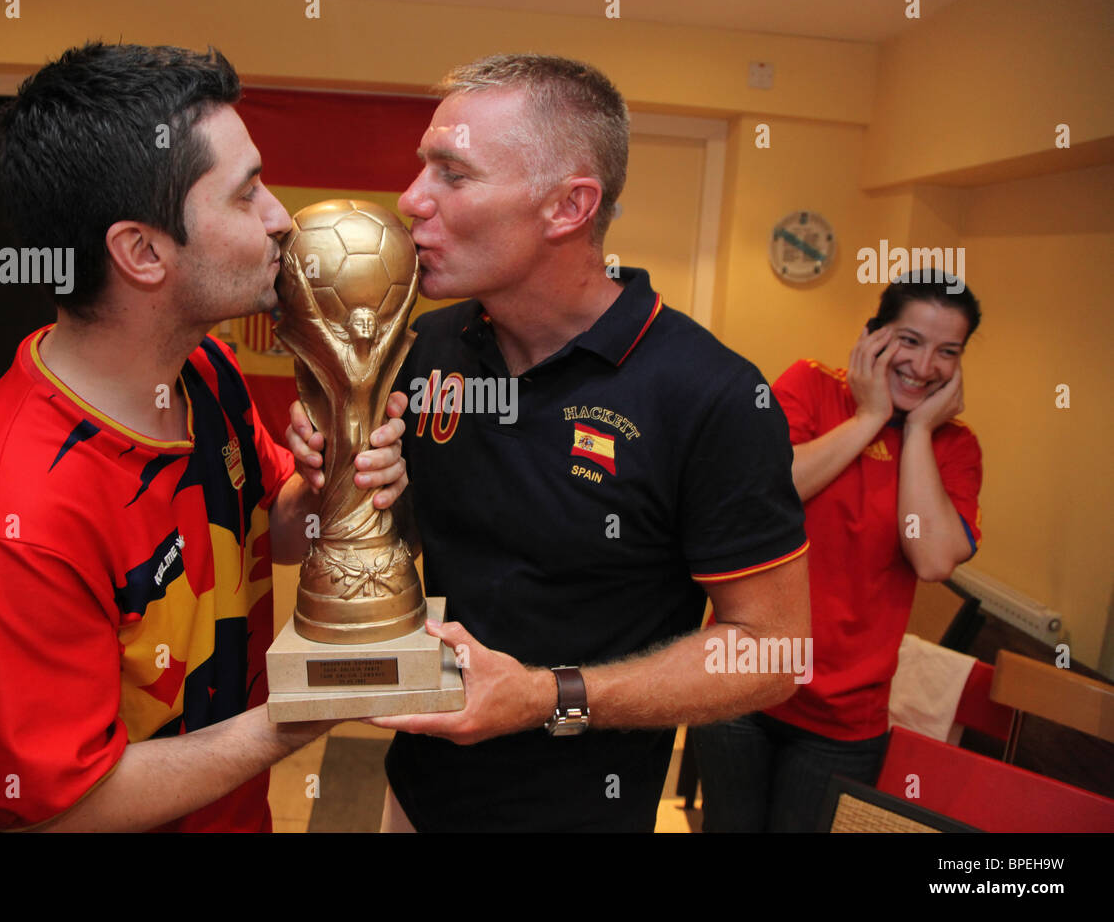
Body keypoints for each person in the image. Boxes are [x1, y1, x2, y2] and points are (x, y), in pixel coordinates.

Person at [0, 42, 409, 832]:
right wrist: (303, 713)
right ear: (141, 252)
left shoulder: (209, 373)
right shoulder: (9, 524)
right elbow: (69, 807)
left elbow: (277, 528)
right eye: (247, 195)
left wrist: (340, 480)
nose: (280, 220)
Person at [286, 53, 811, 832]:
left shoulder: (712, 395)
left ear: (568, 206)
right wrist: (332, 481)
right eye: (420, 167)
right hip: (416, 796)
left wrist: (550, 696)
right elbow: (297, 541)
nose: (410, 199)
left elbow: (772, 654)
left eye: (452, 174)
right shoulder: (430, 345)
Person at [691, 270, 984, 832]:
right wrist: (870, 417)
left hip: (846, 718)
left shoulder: (956, 445)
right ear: (872, 335)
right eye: (910, 341)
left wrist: (918, 432)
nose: (925, 368)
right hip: (743, 679)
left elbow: (932, 559)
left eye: (948, 352)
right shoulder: (811, 385)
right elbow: (768, 489)